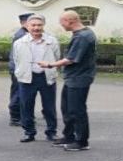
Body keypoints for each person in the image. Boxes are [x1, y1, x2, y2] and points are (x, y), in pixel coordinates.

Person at [39, 10, 96, 151]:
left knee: (77, 110)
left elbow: (70, 59)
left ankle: (82, 141)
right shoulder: (81, 34)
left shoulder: (82, 37)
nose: (61, 25)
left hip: (79, 78)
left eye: (62, 22)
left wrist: (50, 64)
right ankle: (69, 136)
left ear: (70, 21)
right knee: (67, 109)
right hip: (73, 77)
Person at [12, 15, 60, 143]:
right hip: (27, 78)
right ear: (27, 26)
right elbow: (16, 59)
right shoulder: (19, 42)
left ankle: (51, 132)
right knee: (26, 106)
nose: (36, 28)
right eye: (33, 25)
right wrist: (20, 72)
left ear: (43, 26)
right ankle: (29, 132)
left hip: (46, 76)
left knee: (49, 107)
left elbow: (57, 57)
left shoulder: (52, 41)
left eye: (39, 25)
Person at [7, 13, 32, 127]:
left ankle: (21, 115)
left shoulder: (25, 33)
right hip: (18, 68)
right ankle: (15, 117)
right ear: (23, 23)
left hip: (20, 67)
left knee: (21, 92)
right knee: (18, 93)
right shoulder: (21, 35)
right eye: (30, 22)